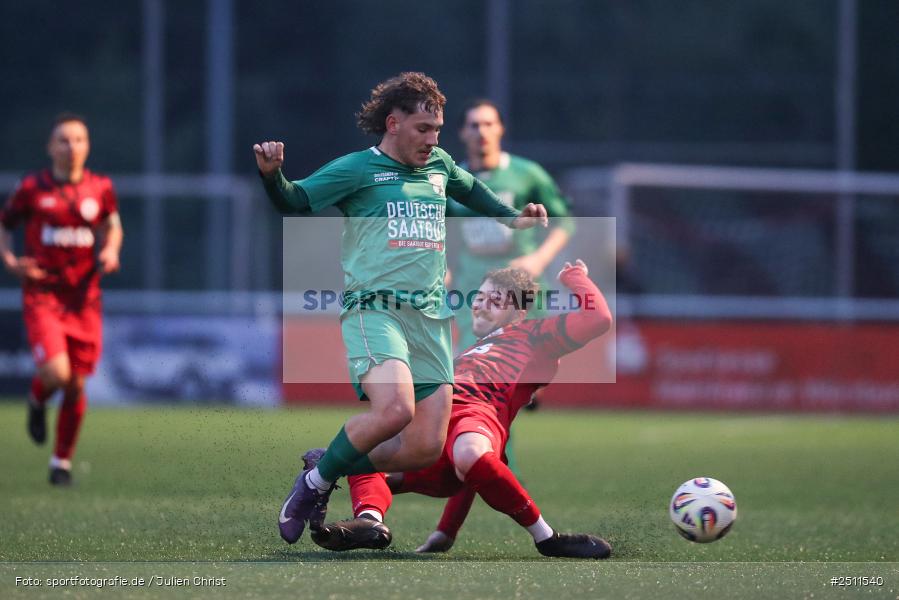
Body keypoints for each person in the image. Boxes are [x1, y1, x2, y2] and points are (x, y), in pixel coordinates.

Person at [254, 72, 548, 545]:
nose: (433, 140)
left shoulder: (440, 167)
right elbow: (297, 202)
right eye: (422, 130)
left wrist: (511, 218)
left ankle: (324, 461)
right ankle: (313, 485)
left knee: (423, 447)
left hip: (430, 318)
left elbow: (469, 188)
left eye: (437, 130)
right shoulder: (357, 169)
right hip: (376, 310)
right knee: (394, 410)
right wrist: (273, 177)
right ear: (393, 124)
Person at [310, 259, 613, 559]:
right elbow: (473, 479)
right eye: (479, 298)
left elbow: (598, 318)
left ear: (520, 312)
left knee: (469, 451)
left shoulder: (534, 334)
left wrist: (575, 277)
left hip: (477, 415)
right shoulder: (471, 349)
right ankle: (370, 520)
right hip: (434, 427)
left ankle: (547, 539)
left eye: (495, 300)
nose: (481, 305)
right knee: (361, 453)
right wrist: (446, 531)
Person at [447, 98, 575, 474]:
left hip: (521, 293)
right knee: (485, 385)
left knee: (513, 387)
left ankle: (488, 458)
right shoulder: (452, 180)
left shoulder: (526, 174)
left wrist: (537, 260)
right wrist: (445, 270)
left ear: (500, 129)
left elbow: (564, 222)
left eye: (488, 124)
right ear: (462, 133)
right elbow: (445, 235)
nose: (481, 131)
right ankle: (493, 466)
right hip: (475, 295)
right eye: (473, 125)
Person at [0, 113, 123, 486]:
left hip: (84, 299)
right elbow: (5, 224)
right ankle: (38, 401)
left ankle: (61, 462)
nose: (72, 147)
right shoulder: (33, 188)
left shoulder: (99, 187)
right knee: (57, 374)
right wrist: (9, 261)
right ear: (50, 147)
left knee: (76, 385)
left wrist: (112, 251)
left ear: (87, 146)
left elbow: (112, 225)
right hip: (44, 296)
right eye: (64, 140)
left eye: (79, 140)